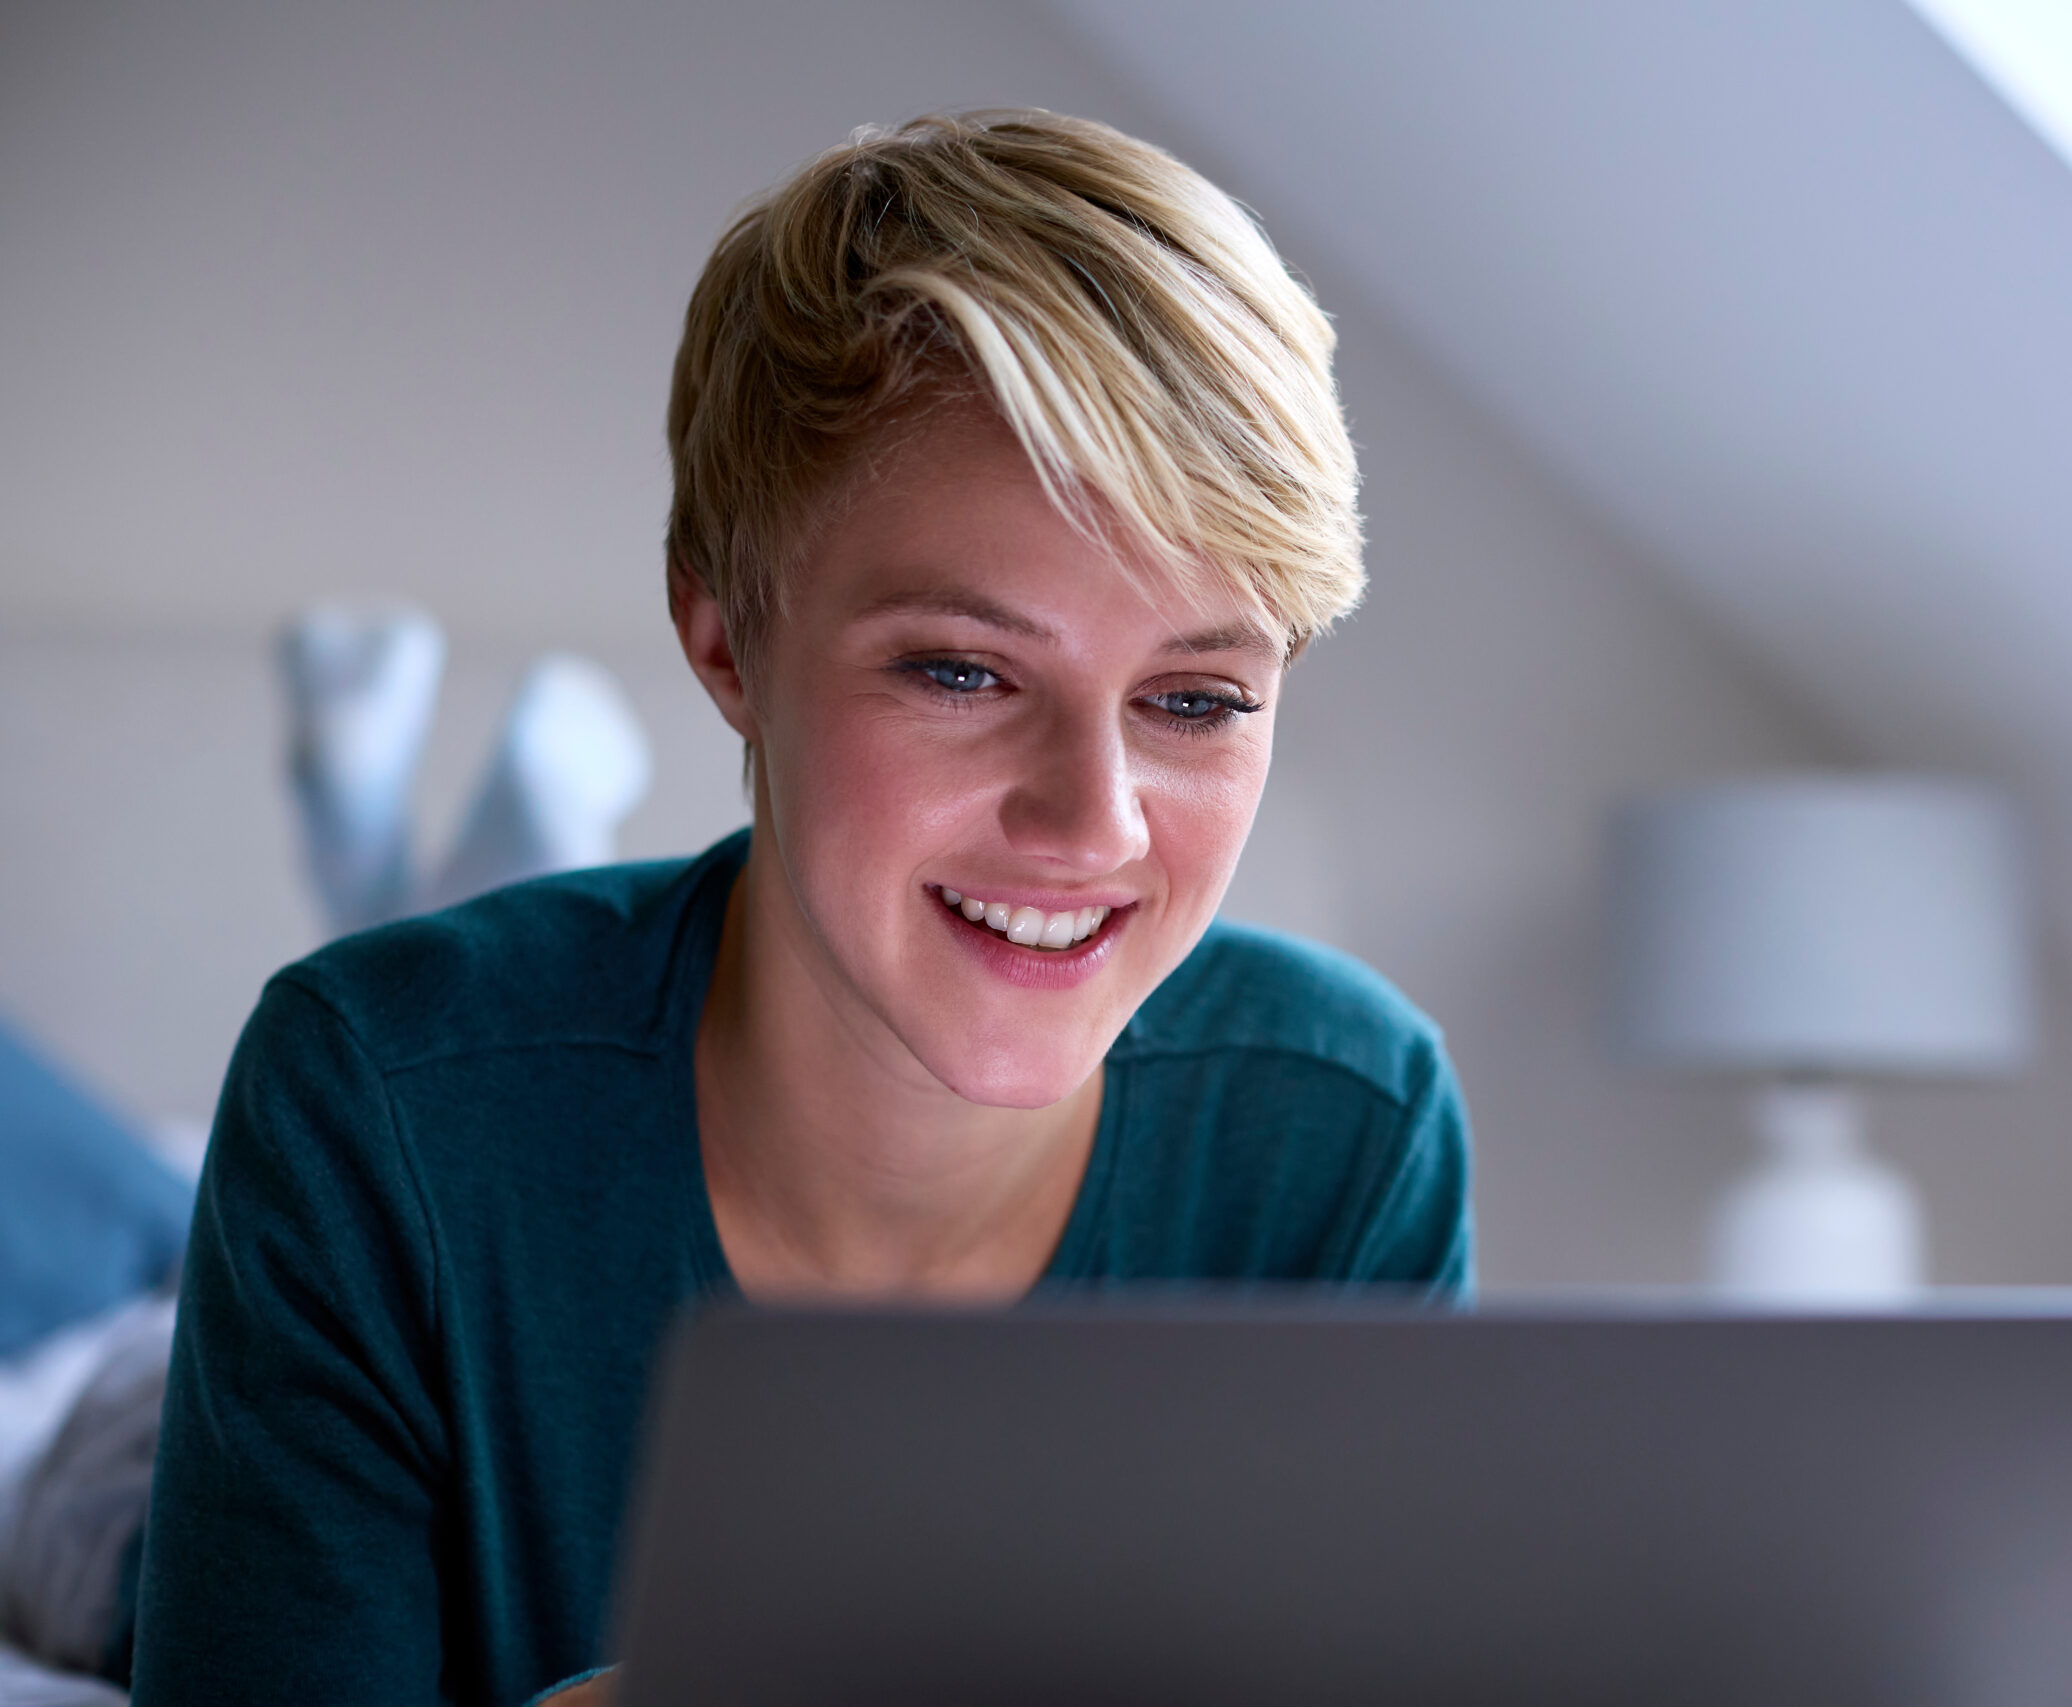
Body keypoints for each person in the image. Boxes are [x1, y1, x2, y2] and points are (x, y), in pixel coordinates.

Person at [123, 110, 1472, 1706]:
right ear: (724, 636)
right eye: (962, 673)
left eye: (1195, 701)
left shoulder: (1338, 1134)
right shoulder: (377, 1104)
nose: (1091, 824)